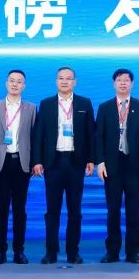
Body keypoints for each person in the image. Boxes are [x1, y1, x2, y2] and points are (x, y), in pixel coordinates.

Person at [32, 66, 95, 264]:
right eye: (61, 78)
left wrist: (91, 159)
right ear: (56, 81)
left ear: (75, 82)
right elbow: (39, 134)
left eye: (68, 78)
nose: (65, 81)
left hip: (76, 163)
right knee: (52, 210)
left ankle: (72, 252)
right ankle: (51, 252)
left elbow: (91, 134)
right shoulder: (46, 104)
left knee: (75, 210)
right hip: (54, 163)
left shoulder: (85, 103)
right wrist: (37, 160)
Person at [95, 69, 139, 264]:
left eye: (126, 80)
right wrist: (100, 162)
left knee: (133, 209)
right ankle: (112, 251)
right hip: (112, 165)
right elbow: (98, 137)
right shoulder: (105, 107)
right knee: (113, 209)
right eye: (119, 80)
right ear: (114, 83)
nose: (123, 83)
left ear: (132, 84)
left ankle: (133, 252)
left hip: (134, 165)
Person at [0, 69, 38, 264]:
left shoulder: (31, 108)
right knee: (1, 208)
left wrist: (35, 162)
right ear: (6, 83)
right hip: (0, 162)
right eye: (12, 81)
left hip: (22, 163)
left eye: (19, 81)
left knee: (19, 209)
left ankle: (19, 251)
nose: (15, 84)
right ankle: (0, 251)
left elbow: (35, 137)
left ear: (24, 85)